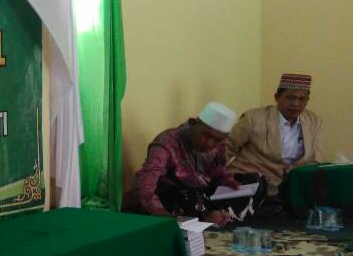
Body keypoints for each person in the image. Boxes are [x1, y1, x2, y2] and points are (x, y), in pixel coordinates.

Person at [125, 102, 265, 224]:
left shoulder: (219, 146)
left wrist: (228, 181)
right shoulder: (167, 142)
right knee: (189, 197)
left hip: (203, 194)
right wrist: (161, 213)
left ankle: (215, 217)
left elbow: (218, 170)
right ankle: (212, 218)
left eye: (217, 140)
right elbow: (145, 185)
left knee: (256, 180)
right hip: (176, 198)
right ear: (194, 123)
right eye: (206, 135)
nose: (210, 143)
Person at [227, 73, 323, 194]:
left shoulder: (314, 121)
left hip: (291, 187)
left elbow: (315, 159)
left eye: (301, 99)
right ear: (277, 97)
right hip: (249, 183)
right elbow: (226, 148)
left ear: (307, 101)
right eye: (290, 98)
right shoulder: (253, 118)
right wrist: (213, 178)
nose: (296, 104)